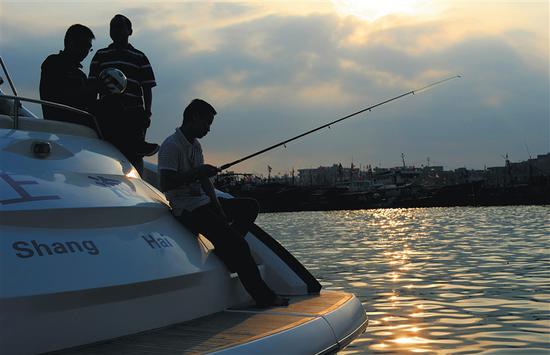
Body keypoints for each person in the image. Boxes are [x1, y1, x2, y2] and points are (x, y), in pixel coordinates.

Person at [158, 99, 289, 308]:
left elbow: (204, 182)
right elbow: (165, 183)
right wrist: (197, 173)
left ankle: (224, 252)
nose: (209, 129)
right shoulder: (171, 146)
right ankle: (265, 297)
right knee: (239, 245)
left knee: (249, 207)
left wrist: (218, 206)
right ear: (194, 117)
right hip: (186, 209)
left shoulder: (196, 146)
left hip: (203, 202)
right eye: (207, 123)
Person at [89, 14, 158, 173]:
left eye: (120, 26)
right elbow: (92, 86)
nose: (117, 30)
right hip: (108, 113)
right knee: (109, 151)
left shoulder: (139, 57)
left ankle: (136, 186)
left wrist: (147, 112)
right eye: (113, 27)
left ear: (130, 31)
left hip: (134, 114)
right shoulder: (100, 55)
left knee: (133, 155)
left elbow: (147, 87)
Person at [92, 68, 153, 169]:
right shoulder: (117, 106)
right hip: (115, 144)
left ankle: (137, 144)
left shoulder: (97, 105)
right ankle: (137, 145)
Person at [40, 24, 96, 126]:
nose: (86, 51)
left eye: (89, 47)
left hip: (80, 126)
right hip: (63, 125)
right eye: (84, 45)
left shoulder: (81, 75)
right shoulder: (52, 63)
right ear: (70, 42)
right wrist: (95, 89)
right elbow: (64, 96)